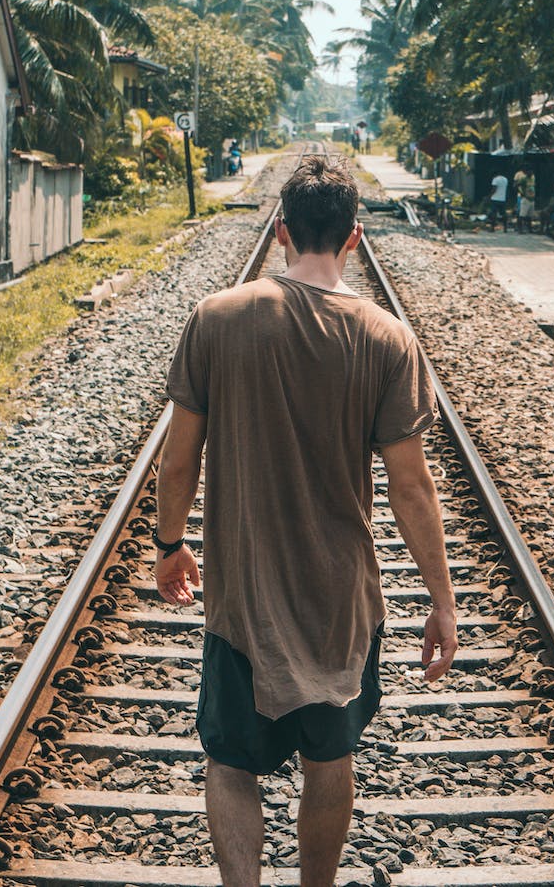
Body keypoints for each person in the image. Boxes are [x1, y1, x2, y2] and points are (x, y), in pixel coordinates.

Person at [155, 156, 457, 887]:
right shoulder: (385, 337)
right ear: (352, 237)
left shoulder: (217, 317)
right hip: (340, 602)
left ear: (281, 231)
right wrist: (441, 601)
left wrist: (170, 546)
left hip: (243, 600)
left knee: (230, 762)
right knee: (331, 757)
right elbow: (411, 488)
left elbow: (177, 460)